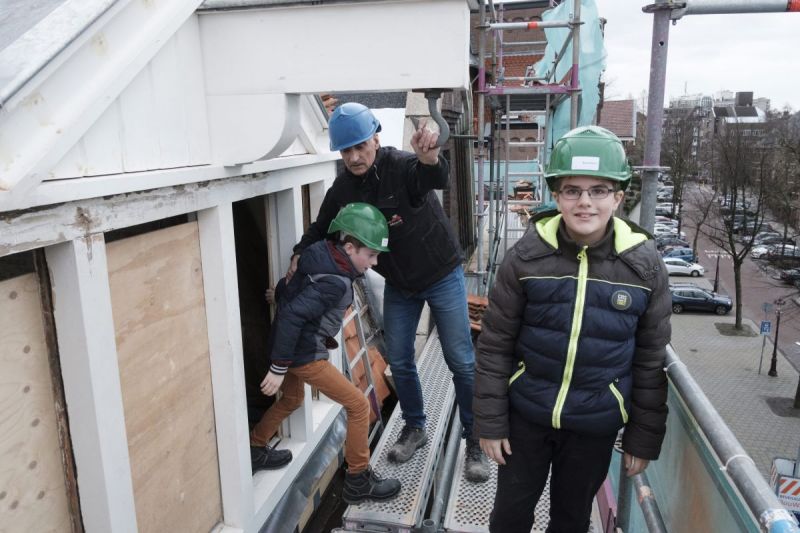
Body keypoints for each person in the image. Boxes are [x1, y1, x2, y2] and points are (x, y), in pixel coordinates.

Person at [473, 125, 672, 532]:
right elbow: (495, 346)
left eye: (598, 190)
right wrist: (490, 423)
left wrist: (642, 438)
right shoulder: (526, 258)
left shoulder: (644, 266)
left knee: (571, 521)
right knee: (509, 517)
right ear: (557, 196)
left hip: (594, 425)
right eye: (572, 190)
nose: (585, 202)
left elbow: (650, 361)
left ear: (618, 196)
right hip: (526, 416)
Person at [287, 102, 489, 482]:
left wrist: (429, 158)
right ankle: (415, 427)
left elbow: (435, 177)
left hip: (440, 273)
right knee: (399, 357)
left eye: (360, 146)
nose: (354, 156)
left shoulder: (400, 166)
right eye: (346, 150)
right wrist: (300, 253)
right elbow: (321, 228)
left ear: (376, 138)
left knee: (460, 359)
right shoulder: (344, 187)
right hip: (400, 282)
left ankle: (474, 441)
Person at [250, 202, 401, 504]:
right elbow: (294, 315)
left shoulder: (319, 255)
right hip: (303, 355)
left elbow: (296, 289)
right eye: (370, 255)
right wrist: (279, 367)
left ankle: (255, 447)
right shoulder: (336, 281)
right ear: (348, 247)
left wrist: (277, 293)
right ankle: (358, 479)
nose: (374, 262)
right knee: (358, 405)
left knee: (292, 399)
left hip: (292, 348)